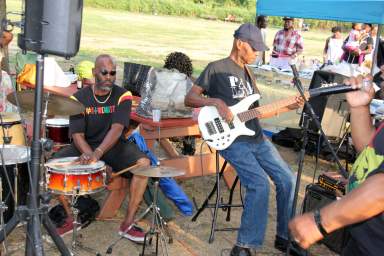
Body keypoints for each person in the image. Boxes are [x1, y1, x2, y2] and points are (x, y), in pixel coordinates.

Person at [184, 23, 304, 256]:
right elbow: (190, 98)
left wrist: (288, 105)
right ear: (240, 44)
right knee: (259, 184)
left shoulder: (249, 73)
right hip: (232, 140)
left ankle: (284, 237)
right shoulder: (216, 68)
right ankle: (244, 246)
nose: (257, 53)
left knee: (287, 179)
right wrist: (216, 102)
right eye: (254, 48)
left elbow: (257, 112)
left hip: (255, 137)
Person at [53, 54, 150, 242]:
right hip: (84, 146)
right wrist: (91, 156)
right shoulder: (78, 97)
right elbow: (77, 135)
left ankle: (127, 223)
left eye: (113, 73)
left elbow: (117, 128)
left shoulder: (123, 95)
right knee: (52, 165)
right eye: (104, 72)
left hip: (113, 145)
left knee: (144, 163)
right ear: (94, 72)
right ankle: (70, 217)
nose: (109, 77)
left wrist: (98, 155)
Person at [289, 75, 384, 255]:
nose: (382, 68)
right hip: (363, 238)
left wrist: (321, 221)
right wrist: (359, 107)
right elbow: (371, 151)